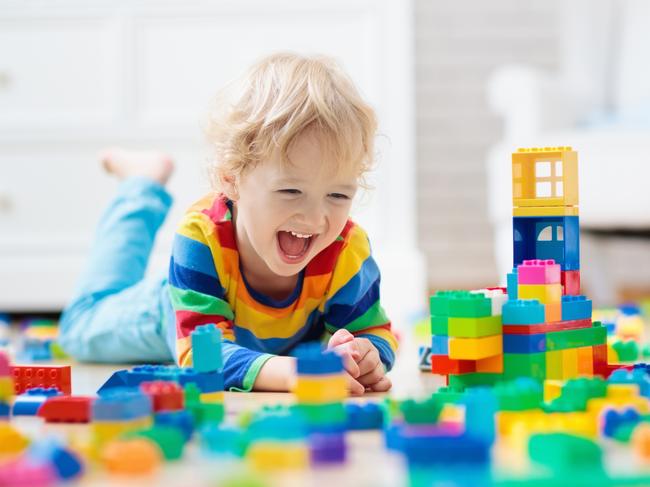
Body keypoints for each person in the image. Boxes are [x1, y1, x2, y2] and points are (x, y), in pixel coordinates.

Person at [60, 52, 397, 394]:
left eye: (338, 196)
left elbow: (374, 333)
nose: (314, 218)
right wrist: (296, 373)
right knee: (80, 326)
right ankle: (141, 186)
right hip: (168, 310)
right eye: (291, 190)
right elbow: (202, 355)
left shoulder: (346, 250)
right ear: (231, 180)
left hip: (255, 344)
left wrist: (366, 355)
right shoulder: (201, 238)